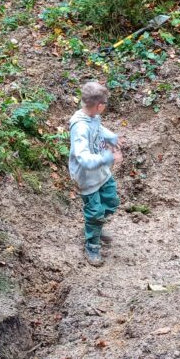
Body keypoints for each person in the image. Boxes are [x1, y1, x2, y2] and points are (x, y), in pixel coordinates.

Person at [68, 81, 123, 267]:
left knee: (111, 200)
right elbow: (83, 158)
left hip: (101, 173)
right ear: (99, 106)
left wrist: (111, 137)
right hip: (87, 178)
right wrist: (108, 158)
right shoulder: (79, 127)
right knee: (94, 212)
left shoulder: (92, 117)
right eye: (104, 104)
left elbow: (98, 129)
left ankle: (95, 229)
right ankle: (92, 244)